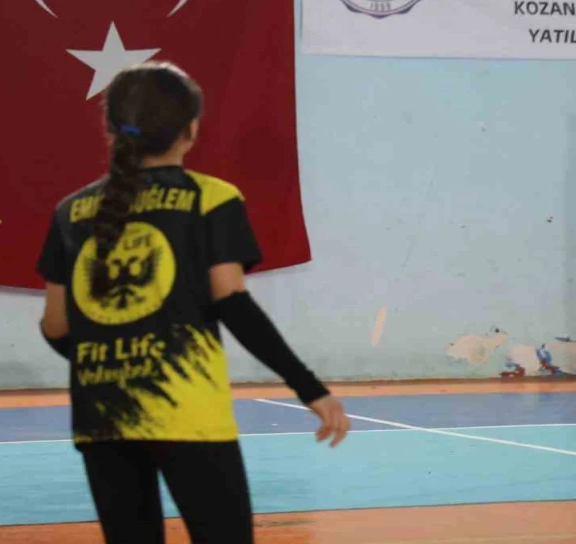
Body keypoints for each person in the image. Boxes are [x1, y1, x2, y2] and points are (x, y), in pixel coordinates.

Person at [36, 60, 350, 544]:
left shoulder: (68, 212)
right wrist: (310, 389)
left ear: (110, 129)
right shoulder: (212, 198)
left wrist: (116, 357)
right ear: (191, 130)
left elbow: (56, 326)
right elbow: (234, 304)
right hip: (187, 408)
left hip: (102, 414)